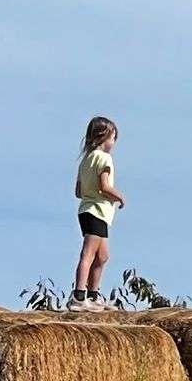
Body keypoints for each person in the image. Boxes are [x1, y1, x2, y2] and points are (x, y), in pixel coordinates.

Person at [66, 116, 125, 312]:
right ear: (104, 137)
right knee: (89, 254)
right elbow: (105, 186)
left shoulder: (86, 160)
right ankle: (79, 295)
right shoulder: (104, 158)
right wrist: (119, 197)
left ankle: (93, 294)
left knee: (103, 256)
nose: (114, 143)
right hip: (97, 211)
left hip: (86, 210)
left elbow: (78, 191)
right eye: (113, 138)